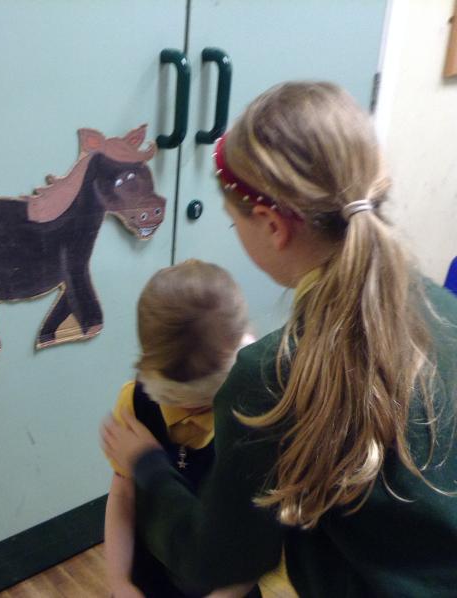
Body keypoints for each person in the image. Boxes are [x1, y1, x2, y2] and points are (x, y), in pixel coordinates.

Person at [101, 81, 457, 597]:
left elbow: (216, 562)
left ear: (271, 225)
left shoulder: (269, 378)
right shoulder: (445, 310)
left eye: (233, 224)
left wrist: (148, 466)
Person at [104, 259, 260, 598]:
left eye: (207, 397)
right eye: (172, 396)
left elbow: (253, 539)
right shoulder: (135, 404)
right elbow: (123, 494)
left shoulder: (253, 415)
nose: (191, 409)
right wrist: (118, 581)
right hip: (151, 576)